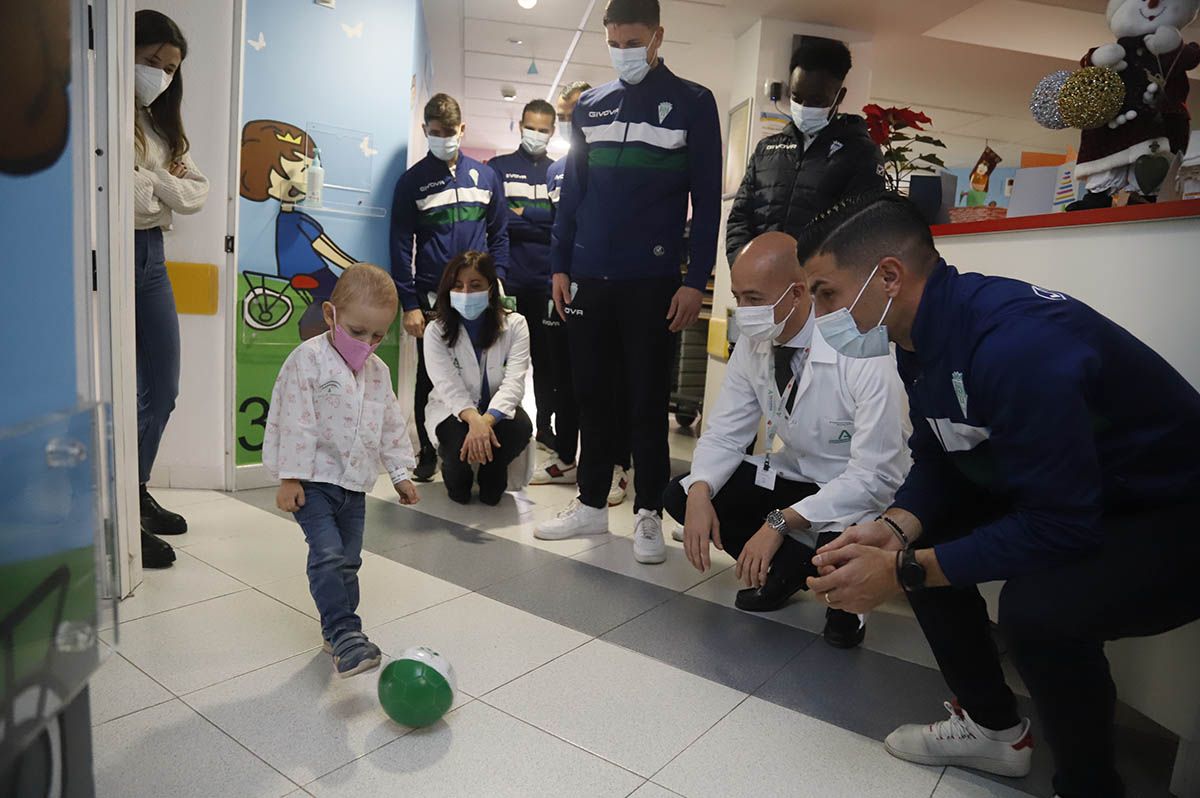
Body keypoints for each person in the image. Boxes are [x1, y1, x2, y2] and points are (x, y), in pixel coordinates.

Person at [796, 192, 1200, 797]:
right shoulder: (916, 335)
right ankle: (993, 729)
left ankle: (1090, 785)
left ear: (887, 276)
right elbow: (942, 454)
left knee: (1038, 611)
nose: (820, 312)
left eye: (826, 292)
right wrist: (897, 528)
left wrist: (903, 573)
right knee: (922, 536)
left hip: (1173, 509)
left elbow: (1061, 525)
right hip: (1086, 490)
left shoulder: (1014, 346)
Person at [536, 0, 722, 565]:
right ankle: (591, 502)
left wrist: (696, 279)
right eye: (614, 41)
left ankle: (646, 512)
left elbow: (708, 201)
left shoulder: (693, 103)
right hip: (590, 275)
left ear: (658, 36)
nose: (623, 52)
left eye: (633, 41)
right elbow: (573, 195)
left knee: (646, 400)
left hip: (653, 279)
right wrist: (560, 265)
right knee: (591, 394)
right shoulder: (589, 106)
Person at [662, 232, 909, 647]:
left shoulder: (862, 347)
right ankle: (787, 569)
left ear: (797, 293)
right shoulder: (756, 343)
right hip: (797, 474)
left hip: (859, 496)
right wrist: (701, 493)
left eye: (755, 298)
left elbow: (874, 477)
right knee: (682, 494)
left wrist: (779, 522)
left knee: (840, 616)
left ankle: (833, 592)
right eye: (739, 297)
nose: (744, 311)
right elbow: (724, 433)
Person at [263, 264, 419, 678]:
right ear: (331, 315)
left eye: (377, 335)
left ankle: (336, 629)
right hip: (314, 482)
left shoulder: (378, 372)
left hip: (355, 486)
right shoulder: (307, 361)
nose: (367, 343)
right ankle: (346, 632)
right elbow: (294, 418)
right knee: (328, 555)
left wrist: (401, 471)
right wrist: (290, 476)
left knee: (349, 560)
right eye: (357, 331)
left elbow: (389, 422)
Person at [390, 93, 510, 484]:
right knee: (430, 380)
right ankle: (426, 451)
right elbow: (398, 242)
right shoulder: (412, 182)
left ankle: (481, 444)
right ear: (426, 131)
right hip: (432, 300)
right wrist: (408, 302)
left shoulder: (487, 176)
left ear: (463, 130)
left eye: (450, 132)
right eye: (436, 132)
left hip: (479, 296)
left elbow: (500, 235)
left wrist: (500, 285)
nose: (444, 138)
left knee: (482, 372)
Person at [131, 10, 210, 569]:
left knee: (164, 388)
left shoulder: (162, 126)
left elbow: (197, 194)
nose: (159, 75)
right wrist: (166, 185)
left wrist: (155, 184)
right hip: (113, 254)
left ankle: (133, 489)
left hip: (153, 258)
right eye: (151, 61)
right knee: (120, 392)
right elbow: (132, 201)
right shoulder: (106, 115)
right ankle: (118, 508)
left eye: (169, 68)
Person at [534, 80, 633, 506]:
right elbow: (557, 229)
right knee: (569, 379)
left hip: (610, 287)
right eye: (565, 116)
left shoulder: (618, 165)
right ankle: (567, 457)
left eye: (575, 113)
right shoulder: (558, 171)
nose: (569, 123)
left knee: (612, 380)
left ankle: (617, 465)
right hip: (566, 288)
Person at [725, 37, 883, 267]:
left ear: (839, 96)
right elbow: (739, 218)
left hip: (816, 289)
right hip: (760, 282)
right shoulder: (767, 150)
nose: (804, 107)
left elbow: (862, 230)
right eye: (797, 97)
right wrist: (743, 266)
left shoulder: (859, 154)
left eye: (816, 101)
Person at [423, 251, 533, 505]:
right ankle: (455, 471)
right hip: (454, 411)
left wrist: (487, 420)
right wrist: (474, 420)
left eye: (475, 285)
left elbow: (515, 382)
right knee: (458, 484)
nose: (466, 292)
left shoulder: (515, 325)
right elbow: (447, 385)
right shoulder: (436, 331)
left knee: (520, 429)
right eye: (458, 286)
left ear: (491, 289)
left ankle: (492, 470)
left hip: (496, 409)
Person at [485, 100, 558, 453]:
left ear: (553, 132)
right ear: (520, 125)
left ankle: (544, 427)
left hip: (546, 284)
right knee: (499, 355)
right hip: (507, 281)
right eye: (531, 126)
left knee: (547, 361)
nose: (536, 134)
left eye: (543, 129)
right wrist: (539, 218)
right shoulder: (498, 168)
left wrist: (523, 213)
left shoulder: (560, 172)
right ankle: (495, 420)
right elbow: (500, 222)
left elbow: (561, 225)